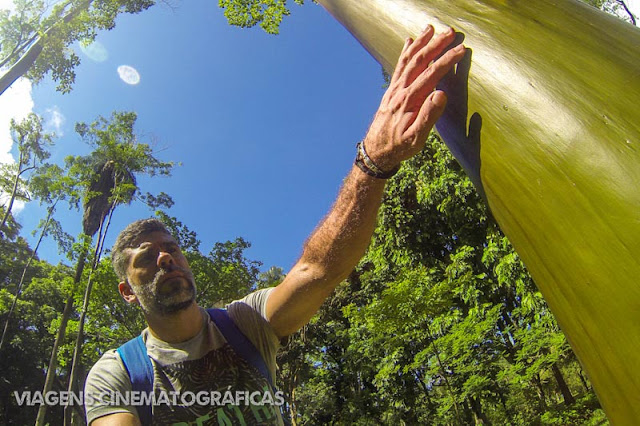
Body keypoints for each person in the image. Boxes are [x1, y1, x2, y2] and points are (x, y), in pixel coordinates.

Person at [84, 24, 467, 425]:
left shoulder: (244, 324)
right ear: (127, 291)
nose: (166, 257)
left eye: (173, 248)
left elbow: (317, 270)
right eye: (147, 256)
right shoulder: (118, 374)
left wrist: (374, 160)